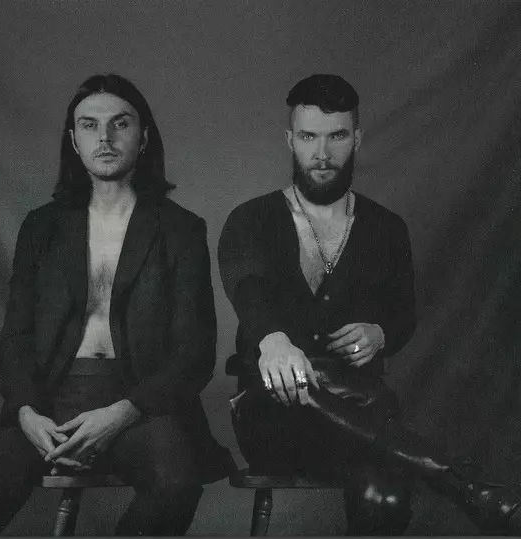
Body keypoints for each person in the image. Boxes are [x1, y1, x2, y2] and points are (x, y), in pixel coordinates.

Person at [0, 73, 233, 536]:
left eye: (120, 124)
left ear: (144, 137)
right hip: (50, 403)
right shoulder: (42, 227)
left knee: (177, 484)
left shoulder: (180, 229)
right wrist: (26, 412)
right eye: (89, 125)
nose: (104, 137)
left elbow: (195, 350)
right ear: (73, 140)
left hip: (141, 405)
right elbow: (16, 337)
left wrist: (122, 412)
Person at [218, 73, 521, 535]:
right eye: (309, 137)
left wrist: (381, 334)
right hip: (274, 418)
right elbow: (248, 286)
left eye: (337, 136)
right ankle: (460, 481)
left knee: (386, 494)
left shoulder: (386, 228)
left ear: (357, 138)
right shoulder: (251, 219)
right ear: (290, 140)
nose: (322, 153)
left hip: (361, 422)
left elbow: (403, 316)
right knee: (316, 387)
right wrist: (273, 341)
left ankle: (449, 476)